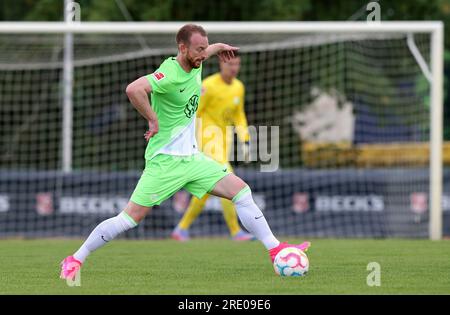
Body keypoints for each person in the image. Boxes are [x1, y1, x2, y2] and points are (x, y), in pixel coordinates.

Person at [60, 24, 310, 281]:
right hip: (165, 162)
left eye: (205, 48)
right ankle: (75, 258)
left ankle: (275, 249)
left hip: (192, 159)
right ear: (182, 48)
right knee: (129, 219)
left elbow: (207, 50)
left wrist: (219, 47)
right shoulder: (170, 73)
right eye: (199, 49)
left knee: (241, 191)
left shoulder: (197, 61)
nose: (203, 54)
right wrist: (152, 119)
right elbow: (133, 89)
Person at [171, 53, 255, 242]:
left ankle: (181, 228)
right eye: (230, 64)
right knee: (227, 178)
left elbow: (238, 115)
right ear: (221, 64)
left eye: (237, 64)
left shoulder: (239, 87)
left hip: (224, 142)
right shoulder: (207, 86)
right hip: (206, 140)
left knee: (208, 188)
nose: (234, 68)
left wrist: (246, 139)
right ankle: (235, 231)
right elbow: (194, 112)